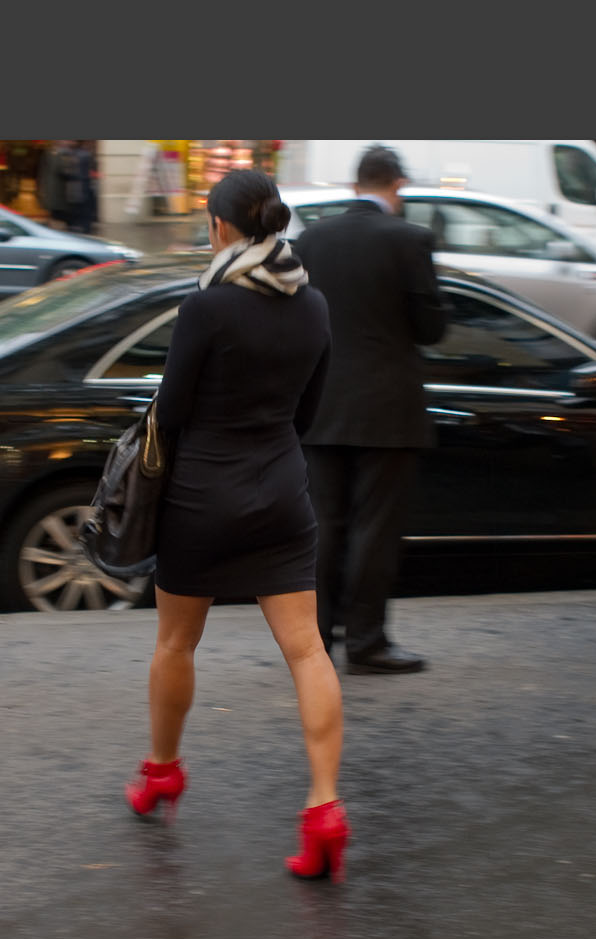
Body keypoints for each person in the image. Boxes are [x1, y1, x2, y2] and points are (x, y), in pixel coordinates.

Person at [123, 168, 350, 883]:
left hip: (200, 499)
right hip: (282, 492)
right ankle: (324, 810)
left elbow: (173, 409)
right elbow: (307, 415)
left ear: (221, 228)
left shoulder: (207, 309)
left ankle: (162, 771)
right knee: (309, 651)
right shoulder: (313, 306)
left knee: (176, 643)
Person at [291, 145, 449, 675]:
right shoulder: (410, 240)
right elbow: (431, 329)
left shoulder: (312, 238)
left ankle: (313, 643)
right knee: (374, 528)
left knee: (325, 526)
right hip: (388, 408)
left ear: (356, 184)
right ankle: (367, 641)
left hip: (322, 405)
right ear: (397, 186)